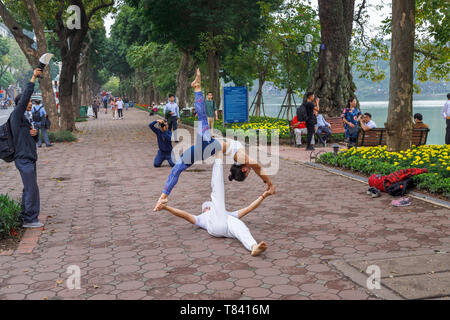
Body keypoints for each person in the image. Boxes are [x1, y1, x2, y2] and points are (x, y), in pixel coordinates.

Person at [153, 68, 275, 212]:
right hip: (205, 149)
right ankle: (163, 196)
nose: (250, 171)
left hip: (207, 146)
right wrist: (268, 184)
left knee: (202, 118)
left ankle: (197, 87)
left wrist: (268, 183)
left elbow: (258, 168)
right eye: (248, 172)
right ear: (243, 169)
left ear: (242, 168)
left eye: (248, 173)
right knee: (178, 167)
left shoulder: (241, 158)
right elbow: (258, 168)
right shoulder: (240, 158)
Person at [160, 158, 271, 256]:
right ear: (204, 210)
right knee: (217, 193)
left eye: (208, 206)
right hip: (214, 226)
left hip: (226, 227)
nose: (208, 208)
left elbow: (249, 208)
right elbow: (185, 216)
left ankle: (253, 246)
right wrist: (166, 208)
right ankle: (218, 159)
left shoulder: (227, 214)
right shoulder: (202, 218)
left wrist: (264, 195)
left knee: (241, 228)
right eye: (207, 207)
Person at [10, 69, 44, 228]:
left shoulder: (26, 119)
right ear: (21, 104)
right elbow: (23, 100)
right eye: (28, 101)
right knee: (32, 189)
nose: (30, 103)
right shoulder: (16, 116)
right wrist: (33, 77)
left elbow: (29, 139)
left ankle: (25, 216)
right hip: (23, 159)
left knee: (29, 188)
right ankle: (30, 220)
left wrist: (35, 134)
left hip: (29, 157)